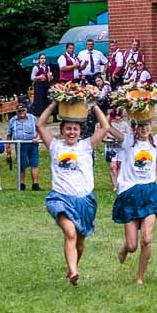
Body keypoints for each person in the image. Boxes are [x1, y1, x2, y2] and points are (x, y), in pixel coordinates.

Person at [37, 99, 113, 285]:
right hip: (60, 198)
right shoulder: (55, 146)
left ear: (80, 132)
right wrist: (54, 104)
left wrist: (93, 105)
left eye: (75, 129)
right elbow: (40, 124)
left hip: (85, 201)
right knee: (70, 233)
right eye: (68, 129)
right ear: (62, 130)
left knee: (79, 241)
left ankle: (73, 267)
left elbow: (104, 127)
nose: (71, 132)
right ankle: (73, 271)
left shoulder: (86, 146)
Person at [109, 103, 157, 284]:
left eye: (147, 125)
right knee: (132, 245)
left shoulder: (155, 141)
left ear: (151, 126)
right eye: (140, 126)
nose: (144, 129)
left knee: (146, 239)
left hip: (149, 192)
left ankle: (139, 278)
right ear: (135, 128)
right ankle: (124, 249)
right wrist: (112, 106)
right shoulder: (127, 142)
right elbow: (106, 127)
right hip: (130, 193)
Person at [7, 104, 42, 191]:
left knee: (34, 164)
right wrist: (8, 147)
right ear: (16, 112)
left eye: (23, 110)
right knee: (21, 165)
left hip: (32, 144)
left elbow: (40, 129)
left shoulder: (32, 118)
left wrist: (38, 138)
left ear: (26, 110)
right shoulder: (12, 120)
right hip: (20, 145)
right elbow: (9, 134)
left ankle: (35, 185)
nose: (21, 113)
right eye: (19, 111)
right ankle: (21, 185)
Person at [105, 108, 129, 192]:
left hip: (121, 148)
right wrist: (113, 136)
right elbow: (106, 132)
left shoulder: (125, 124)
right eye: (116, 116)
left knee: (120, 165)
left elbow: (128, 134)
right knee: (113, 167)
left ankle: (119, 184)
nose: (117, 118)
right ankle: (114, 185)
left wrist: (120, 137)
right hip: (112, 147)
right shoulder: (110, 124)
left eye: (119, 116)